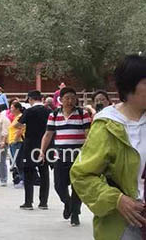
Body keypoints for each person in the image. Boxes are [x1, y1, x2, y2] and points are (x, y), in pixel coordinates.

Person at [72, 54, 146, 239]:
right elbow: (82, 175)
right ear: (130, 86)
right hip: (127, 225)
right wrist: (116, 200)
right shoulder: (107, 125)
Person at [39, 85, 91, 226]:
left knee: (76, 186)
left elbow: (88, 134)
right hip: (60, 155)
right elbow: (48, 134)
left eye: (73, 98)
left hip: (79, 156)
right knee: (59, 185)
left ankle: (75, 214)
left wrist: (90, 151)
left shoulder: (82, 114)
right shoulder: (54, 115)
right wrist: (42, 151)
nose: (70, 101)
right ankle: (68, 204)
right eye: (67, 98)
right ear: (60, 99)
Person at [18, 90, 51, 211]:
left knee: (28, 172)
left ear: (31, 99)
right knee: (44, 172)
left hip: (30, 144)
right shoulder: (49, 111)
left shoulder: (29, 111)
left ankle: (28, 202)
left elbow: (18, 124)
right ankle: (43, 202)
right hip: (45, 145)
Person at [7, 101, 26, 187]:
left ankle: (23, 179)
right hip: (12, 142)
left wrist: (15, 138)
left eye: (12, 108)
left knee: (19, 161)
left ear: (17, 109)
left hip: (17, 142)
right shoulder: (15, 117)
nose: (10, 109)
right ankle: (21, 178)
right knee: (16, 161)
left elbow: (22, 128)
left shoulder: (20, 117)